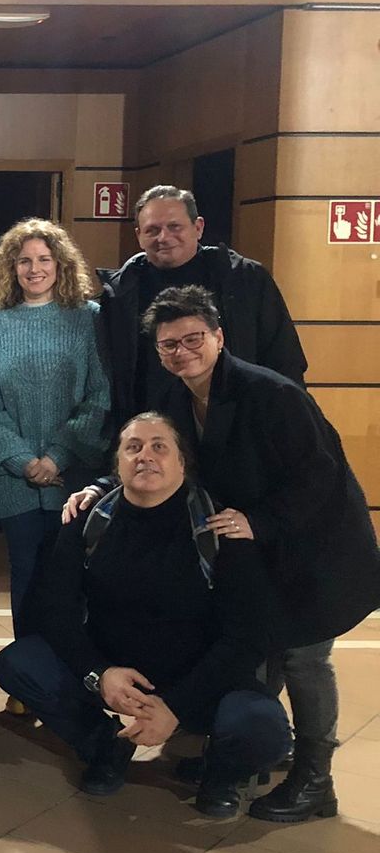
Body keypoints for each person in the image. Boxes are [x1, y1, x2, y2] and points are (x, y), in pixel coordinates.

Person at [66, 286, 379, 822]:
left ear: (218, 337)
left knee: (303, 658)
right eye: (169, 345)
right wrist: (100, 486)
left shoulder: (271, 394)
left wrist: (262, 521)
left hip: (315, 547)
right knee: (262, 648)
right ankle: (255, 755)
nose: (182, 352)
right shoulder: (176, 399)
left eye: (193, 339)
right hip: (255, 549)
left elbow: (320, 475)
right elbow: (152, 454)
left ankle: (315, 779)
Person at [0, 413, 291, 818]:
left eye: (159, 447)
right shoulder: (88, 520)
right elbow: (55, 611)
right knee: (19, 663)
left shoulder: (219, 527)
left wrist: (175, 706)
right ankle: (107, 746)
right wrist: (99, 674)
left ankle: (221, 773)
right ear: (117, 465)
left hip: (199, 680)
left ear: (182, 463)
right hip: (116, 672)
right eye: (133, 447)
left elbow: (249, 637)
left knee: (263, 727)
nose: (145, 456)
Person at [0, 218, 107, 646]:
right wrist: (24, 461)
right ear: (11, 267)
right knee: (25, 573)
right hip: (14, 481)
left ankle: (74, 667)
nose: (34, 268)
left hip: (75, 478)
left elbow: (101, 395)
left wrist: (58, 456)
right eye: (24, 260)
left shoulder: (89, 319)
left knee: (73, 578)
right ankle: (27, 669)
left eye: (44, 259)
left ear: (61, 264)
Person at [97, 185, 305, 428]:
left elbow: (285, 359)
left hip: (239, 425)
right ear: (139, 236)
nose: (163, 237)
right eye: (152, 230)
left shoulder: (246, 280)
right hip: (151, 431)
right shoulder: (119, 294)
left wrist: (288, 421)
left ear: (198, 227)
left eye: (174, 226)